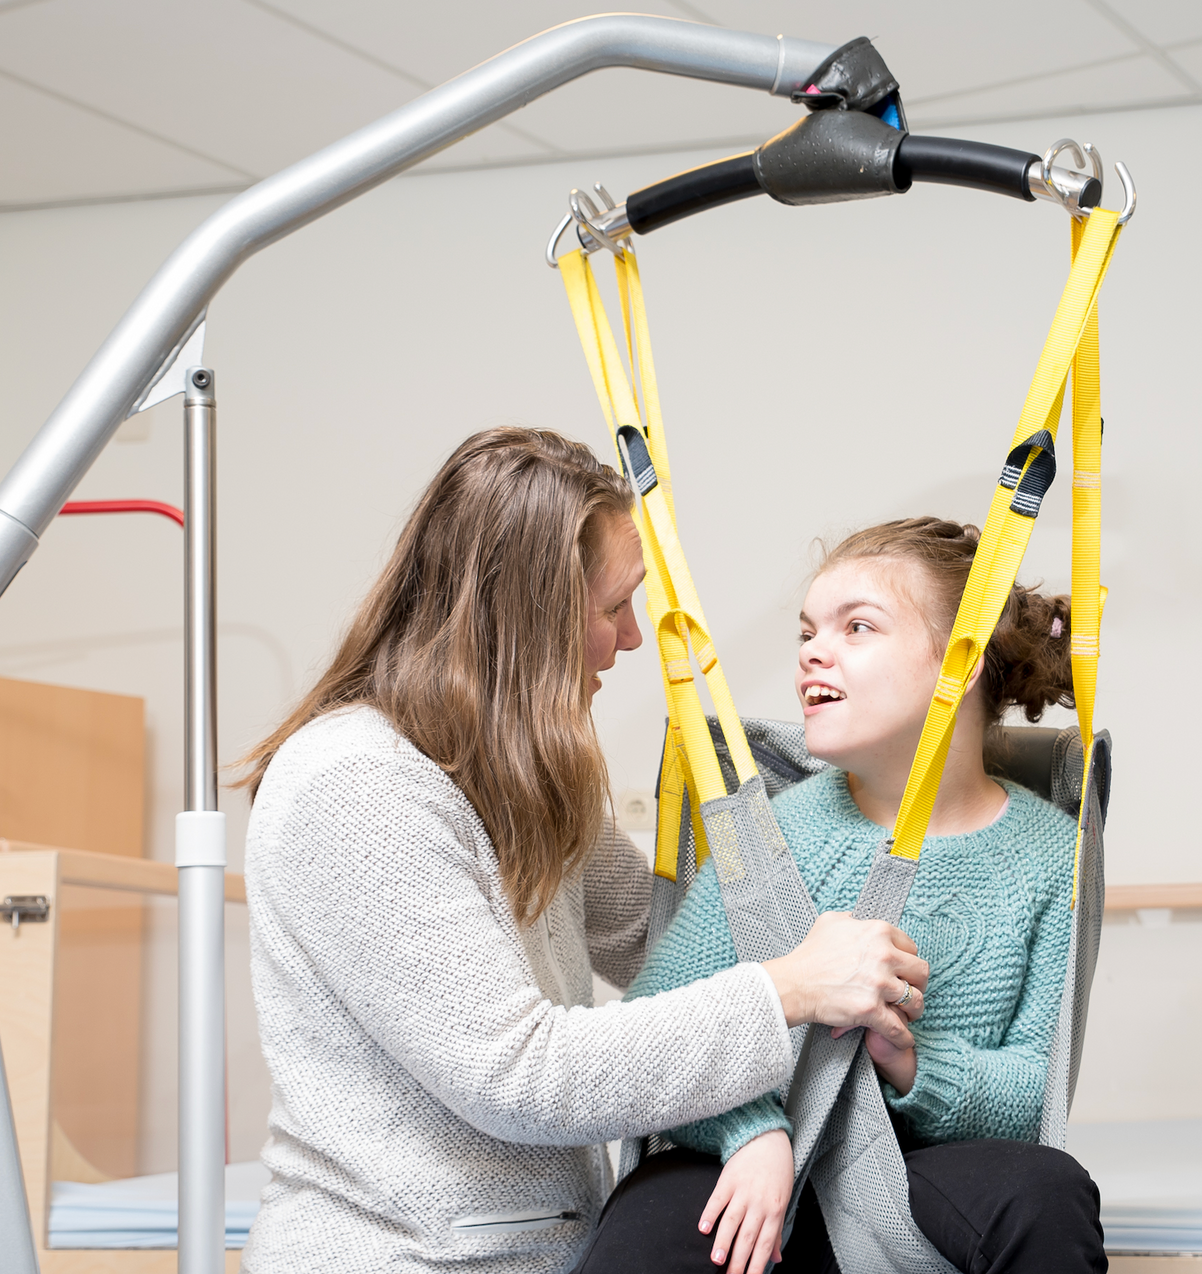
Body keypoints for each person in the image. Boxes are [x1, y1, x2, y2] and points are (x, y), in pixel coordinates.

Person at [236, 428, 930, 1273]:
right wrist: (793, 988)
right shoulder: (354, 787)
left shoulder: (524, 777)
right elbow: (522, 1075)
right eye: (612, 608)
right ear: (524, 617)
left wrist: (844, 810)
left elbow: (666, 940)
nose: (631, 639)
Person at [576, 517, 1107, 1274]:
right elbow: (658, 1025)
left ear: (966, 659)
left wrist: (909, 1059)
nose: (812, 652)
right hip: (758, 1155)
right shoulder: (768, 830)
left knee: (1049, 1193)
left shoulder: (1052, 858)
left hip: (923, 1173)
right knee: (644, 1230)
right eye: (806, 632)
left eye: (858, 627)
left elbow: (1032, 1091)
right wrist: (751, 1131)